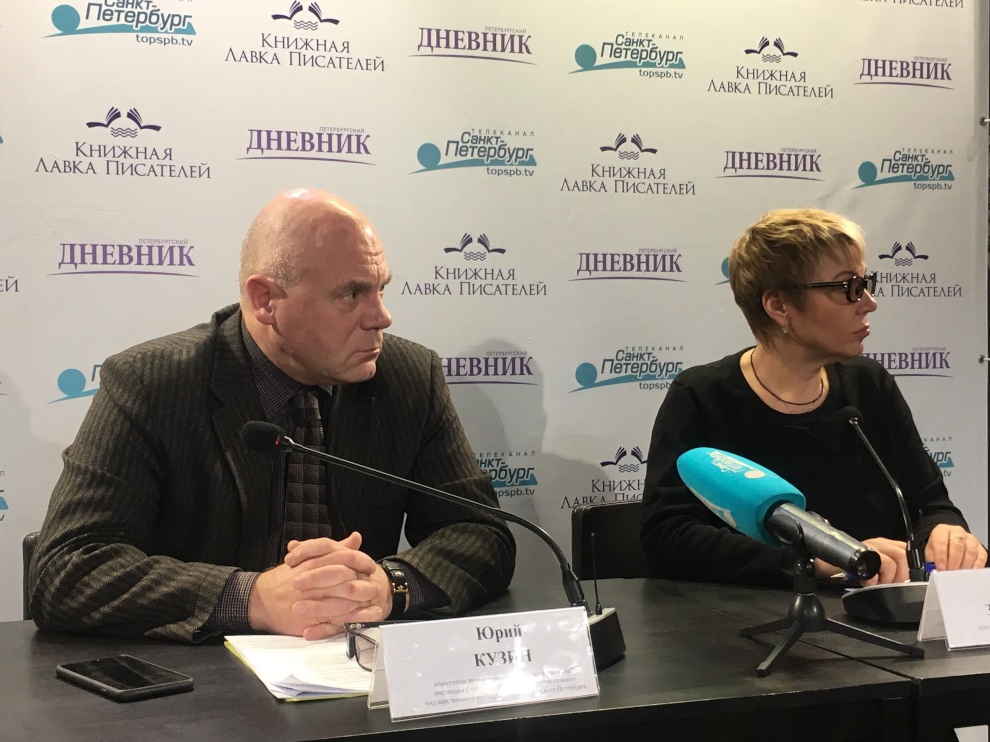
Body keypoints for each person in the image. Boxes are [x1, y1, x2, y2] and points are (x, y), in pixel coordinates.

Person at [29, 188, 515, 642]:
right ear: (266, 301)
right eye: (352, 295)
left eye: (381, 289)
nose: (381, 316)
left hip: (358, 672)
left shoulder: (409, 377)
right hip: (205, 682)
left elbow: (482, 534)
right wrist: (253, 598)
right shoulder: (152, 384)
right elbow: (66, 569)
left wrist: (388, 586)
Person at [640, 208, 986, 588]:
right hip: (753, 617)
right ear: (779, 306)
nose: (869, 302)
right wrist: (813, 562)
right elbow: (669, 538)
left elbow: (929, 503)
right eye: (848, 287)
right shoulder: (702, 397)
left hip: (882, 610)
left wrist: (945, 531)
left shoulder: (868, 384)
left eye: (866, 282)